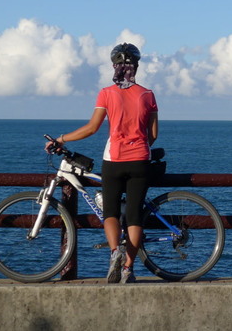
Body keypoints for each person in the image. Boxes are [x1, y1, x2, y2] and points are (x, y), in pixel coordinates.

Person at [45, 42, 159, 284]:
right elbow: (154, 134)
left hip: (114, 159)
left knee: (110, 213)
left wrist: (61, 138)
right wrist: (138, 144)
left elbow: (92, 128)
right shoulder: (148, 95)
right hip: (140, 160)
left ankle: (115, 252)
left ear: (114, 66)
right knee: (135, 216)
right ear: (136, 66)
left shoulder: (106, 93)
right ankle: (128, 268)